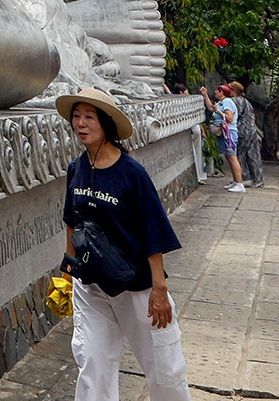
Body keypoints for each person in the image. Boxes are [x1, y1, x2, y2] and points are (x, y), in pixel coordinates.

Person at [58, 87, 191, 401]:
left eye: (89, 117)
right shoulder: (76, 169)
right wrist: (67, 270)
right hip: (91, 285)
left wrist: (159, 289)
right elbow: (71, 221)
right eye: (77, 116)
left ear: (105, 123)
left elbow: (152, 231)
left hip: (137, 286)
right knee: (93, 362)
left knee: (163, 366)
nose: (81, 123)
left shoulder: (131, 174)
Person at [204, 83, 245, 192]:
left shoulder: (227, 102)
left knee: (232, 157)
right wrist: (205, 95)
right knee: (229, 156)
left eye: (217, 91)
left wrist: (218, 111)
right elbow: (211, 108)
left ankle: (240, 184)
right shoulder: (221, 103)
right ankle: (236, 181)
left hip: (229, 132)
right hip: (224, 133)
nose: (215, 92)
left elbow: (229, 118)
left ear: (222, 92)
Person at [231, 81, 266, 188]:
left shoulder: (233, 101)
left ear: (234, 91)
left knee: (239, 155)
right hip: (251, 130)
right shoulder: (246, 102)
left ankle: (243, 177)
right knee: (253, 155)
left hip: (241, 130)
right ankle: (258, 179)